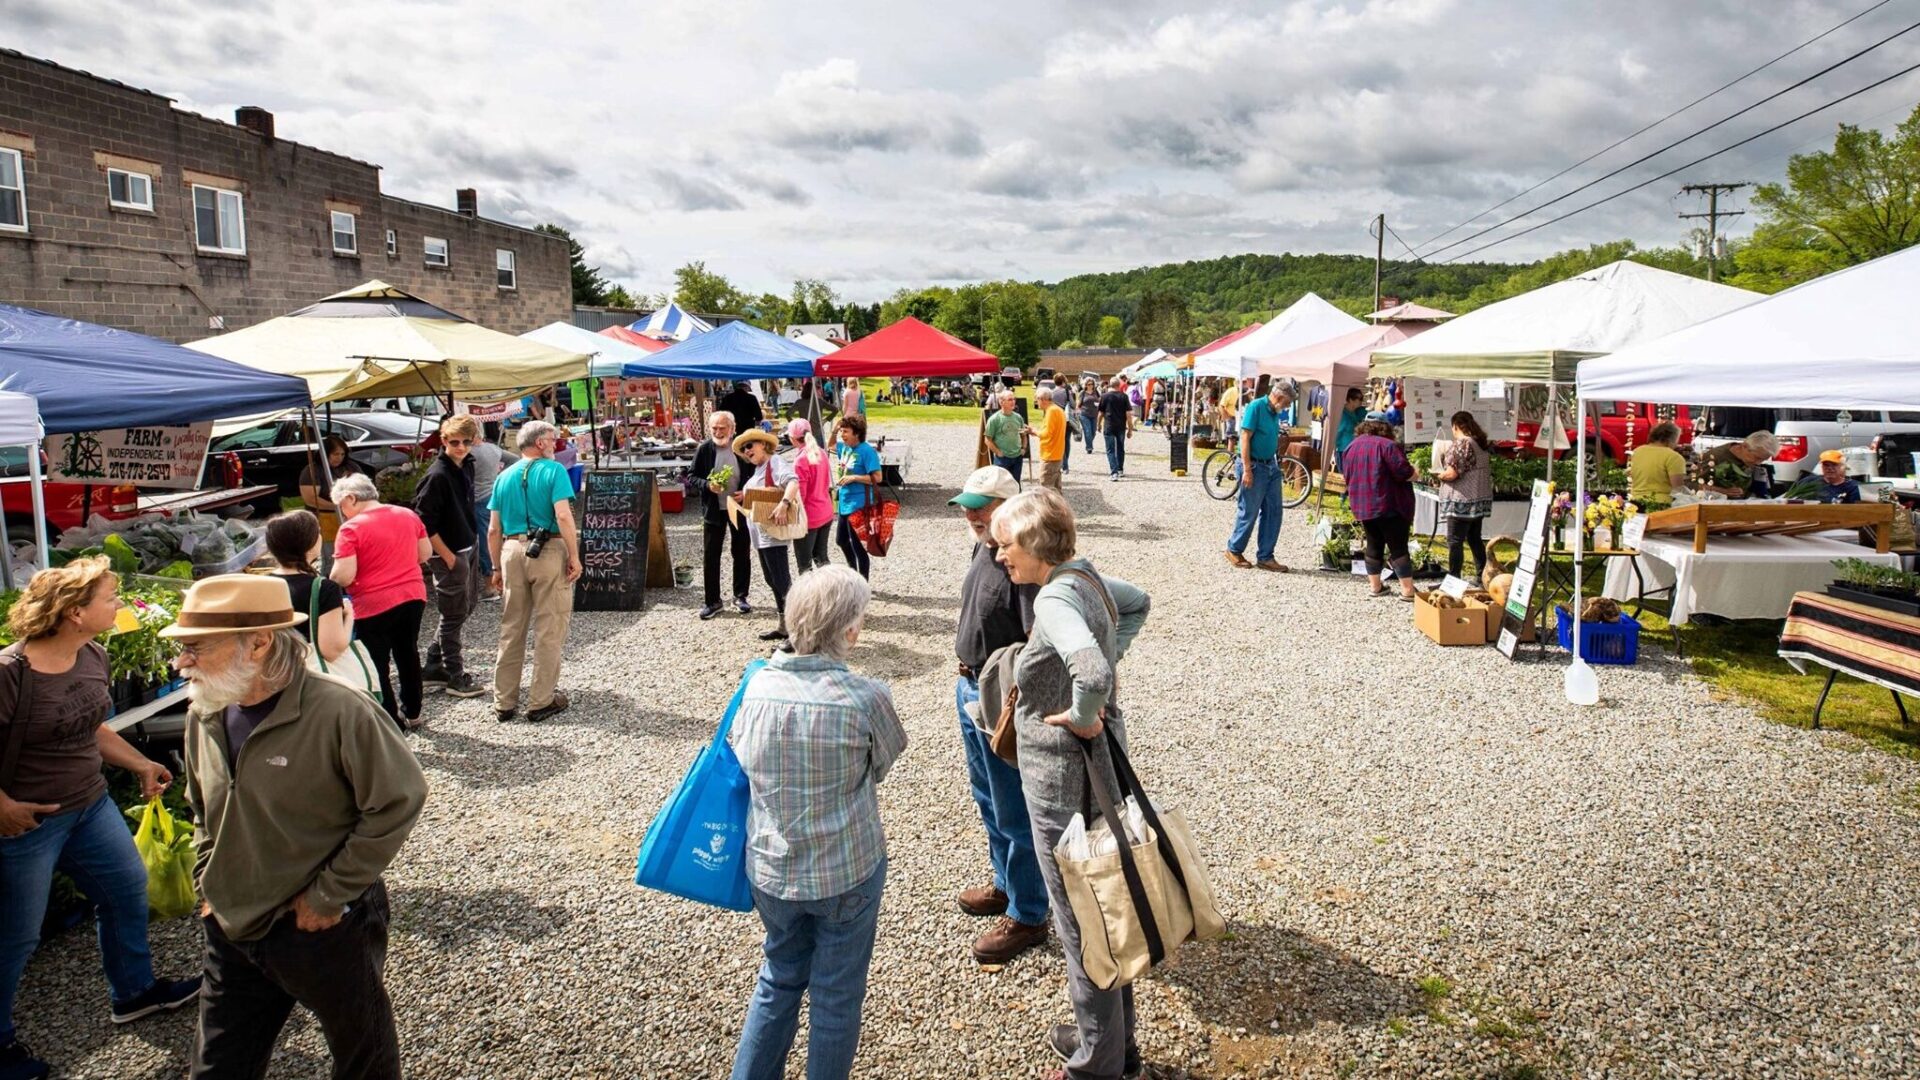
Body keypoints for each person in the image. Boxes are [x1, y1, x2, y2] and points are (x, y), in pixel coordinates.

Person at [167, 575, 427, 1080]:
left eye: (197, 647)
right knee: (217, 1066)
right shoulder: (205, 710)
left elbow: (399, 799)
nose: (183, 662)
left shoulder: (339, 708)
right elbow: (201, 805)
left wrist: (329, 896)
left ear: (260, 642)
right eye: (183, 648)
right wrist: (209, 877)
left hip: (320, 928)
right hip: (231, 923)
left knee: (363, 1055)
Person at [0, 559, 200, 1080]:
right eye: (111, 598)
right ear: (74, 612)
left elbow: (92, 727)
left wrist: (141, 762)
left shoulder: (92, 654)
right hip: (27, 826)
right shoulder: (8, 675)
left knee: (126, 891)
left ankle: (133, 993)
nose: (120, 605)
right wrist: (3, 806)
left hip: (89, 807)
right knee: (16, 937)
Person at [990, 490, 1151, 1080]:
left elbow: (1093, 669)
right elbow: (1138, 605)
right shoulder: (1086, 576)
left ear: (1034, 543)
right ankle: (1113, 1044)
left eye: (1005, 544)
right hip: (1097, 769)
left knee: (1082, 921)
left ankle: (1094, 1065)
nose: (998, 552)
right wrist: (1107, 668)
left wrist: (1085, 710)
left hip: (1066, 780)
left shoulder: (1055, 600)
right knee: (1104, 909)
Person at [727, 566, 907, 1080]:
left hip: (771, 867)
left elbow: (740, 754)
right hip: (845, 867)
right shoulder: (864, 696)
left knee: (779, 978)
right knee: (835, 996)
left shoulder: (756, 687)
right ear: (849, 630)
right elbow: (884, 763)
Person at [947, 467, 1050, 964]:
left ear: (1010, 510)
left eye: (980, 505)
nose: (970, 512)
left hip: (999, 699)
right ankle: (1007, 886)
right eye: (966, 503)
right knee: (988, 800)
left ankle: (1029, 913)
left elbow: (1037, 644)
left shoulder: (1021, 562)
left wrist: (1011, 697)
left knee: (1015, 809)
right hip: (968, 687)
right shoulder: (986, 546)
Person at [488, 421, 580, 723]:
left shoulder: (503, 476)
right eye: (552, 440)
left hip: (511, 550)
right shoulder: (554, 471)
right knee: (549, 627)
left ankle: (504, 701)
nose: (555, 445)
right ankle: (541, 700)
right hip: (548, 548)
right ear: (540, 443)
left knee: (511, 627)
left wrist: (494, 566)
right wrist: (574, 555)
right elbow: (563, 516)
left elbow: (493, 529)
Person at [329, 474, 430, 730]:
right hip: (412, 595)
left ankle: (390, 720)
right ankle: (414, 710)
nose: (343, 512)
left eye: (342, 505)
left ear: (351, 498)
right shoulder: (407, 514)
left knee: (378, 662)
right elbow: (425, 553)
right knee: (408, 653)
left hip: (372, 602)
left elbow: (344, 575)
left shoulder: (351, 529)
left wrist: (331, 576)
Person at [414, 415, 485, 699]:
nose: (460, 447)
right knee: (453, 614)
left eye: (466, 442)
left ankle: (433, 664)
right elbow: (423, 523)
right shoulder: (436, 476)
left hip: (467, 544)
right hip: (449, 552)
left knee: (465, 607)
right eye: (454, 442)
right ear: (443, 441)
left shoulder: (466, 465)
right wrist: (447, 556)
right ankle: (455, 675)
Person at [732, 429, 802, 642]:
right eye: (744, 449)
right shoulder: (760, 469)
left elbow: (792, 482)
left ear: (763, 444)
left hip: (772, 533)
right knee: (772, 579)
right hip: (761, 534)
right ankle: (784, 626)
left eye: (750, 445)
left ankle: (798, 631)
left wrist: (784, 503)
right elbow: (765, 491)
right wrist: (746, 495)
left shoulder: (775, 462)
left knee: (782, 581)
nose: (747, 450)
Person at [1344, 417, 1418, 601]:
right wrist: (1416, 472)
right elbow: (1404, 473)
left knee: (1373, 544)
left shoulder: (1351, 447)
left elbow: (1346, 474)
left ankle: (1375, 586)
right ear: (1384, 429)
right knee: (1398, 546)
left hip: (1363, 504)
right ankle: (1408, 590)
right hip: (1389, 503)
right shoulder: (1387, 446)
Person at [265, 511, 352, 664]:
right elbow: (331, 651)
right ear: (309, 542)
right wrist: (350, 615)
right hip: (308, 678)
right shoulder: (324, 588)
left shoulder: (263, 584)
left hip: (273, 673)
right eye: (317, 532)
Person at [692, 412, 756, 620]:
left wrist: (747, 491)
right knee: (711, 555)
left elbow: (757, 473)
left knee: (741, 551)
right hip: (713, 509)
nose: (718, 432)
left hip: (738, 507)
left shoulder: (743, 448)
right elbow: (691, 476)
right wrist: (707, 485)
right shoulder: (704, 449)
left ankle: (740, 596)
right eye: (714, 428)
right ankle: (712, 601)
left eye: (722, 428)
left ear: (732, 428)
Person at [1224, 382, 1292, 573]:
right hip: (1253, 465)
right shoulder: (1256, 407)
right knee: (1249, 511)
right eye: (1286, 403)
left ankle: (1266, 556)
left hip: (1270, 465)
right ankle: (1234, 549)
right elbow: (1245, 437)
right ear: (1278, 397)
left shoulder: (1274, 412)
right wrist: (1247, 469)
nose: (1286, 407)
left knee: (1274, 511)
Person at [1433, 412, 1493, 582]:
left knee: (1455, 541)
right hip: (1478, 499)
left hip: (1462, 500)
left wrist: (1439, 474)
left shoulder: (1462, 444)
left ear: (1455, 426)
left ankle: (1453, 579)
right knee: (1475, 539)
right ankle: (1482, 575)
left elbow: (1452, 474)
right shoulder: (1479, 443)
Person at [298, 434, 363, 570]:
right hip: (325, 520)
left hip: (351, 517)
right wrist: (337, 506)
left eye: (342, 454)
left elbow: (363, 488)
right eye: (335, 454)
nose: (339, 458)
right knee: (331, 557)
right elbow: (310, 499)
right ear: (325, 453)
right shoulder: (313, 470)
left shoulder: (352, 467)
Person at [832, 415, 882, 580]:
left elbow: (878, 477)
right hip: (844, 503)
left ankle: (863, 582)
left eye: (845, 431)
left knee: (858, 546)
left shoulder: (866, 451)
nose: (842, 434)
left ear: (857, 433)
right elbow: (830, 445)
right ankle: (853, 572)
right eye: (841, 431)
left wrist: (855, 478)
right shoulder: (844, 447)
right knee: (841, 540)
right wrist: (833, 431)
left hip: (859, 504)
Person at [785, 419, 837, 573]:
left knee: (805, 565)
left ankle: (810, 595)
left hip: (809, 517)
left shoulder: (800, 460)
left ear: (793, 439)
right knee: (822, 558)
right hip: (825, 511)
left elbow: (801, 494)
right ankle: (831, 590)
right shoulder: (820, 452)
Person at [469, 423, 506, 596]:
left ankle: (490, 584)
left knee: (485, 541)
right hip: (492, 495)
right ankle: (498, 578)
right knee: (496, 537)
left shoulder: (470, 453)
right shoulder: (493, 449)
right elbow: (514, 459)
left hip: (477, 499)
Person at [1626, 421, 1690, 509]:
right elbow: (1678, 489)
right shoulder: (1674, 457)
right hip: (1662, 506)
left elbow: (1630, 476)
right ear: (1671, 439)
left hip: (1635, 503)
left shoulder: (1636, 451)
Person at [1701, 431, 1779, 499]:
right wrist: (1724, 491)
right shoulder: (1715, 456)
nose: (1758, 463)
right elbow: (1691, 484)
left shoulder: (1751, 460)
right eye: (1757, 458)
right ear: (1744, 446)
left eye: (1763, 460)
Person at [984, 391, 1027, 483]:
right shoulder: (994, 419)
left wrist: (1023, 448)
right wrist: (998, 452)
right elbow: (987, 440)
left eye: (1014, 399)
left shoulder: (1018, 418)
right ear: (1001, 402)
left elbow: (1023, 435)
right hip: (1002, 459)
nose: (1013, 402)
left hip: (1017, 457)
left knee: (1015, 484)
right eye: (1010, 399)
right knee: (1000, 485)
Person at [1099, 378, 1134, 481]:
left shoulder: (1104, 396)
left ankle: (1113, 472)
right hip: (1120, 426)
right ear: (1119, 385)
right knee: (1120, 448)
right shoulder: (1124, 396)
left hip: (1109, 425)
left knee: (1110, 450)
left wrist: (1098, 425)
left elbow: (1101, 413)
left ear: (1110, 385)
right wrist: (1130, 429)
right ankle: (1120, 469)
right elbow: (1128, 414)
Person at [1034, 388, 1069, 492]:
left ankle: (1050, 509)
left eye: (1037, 399)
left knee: (1046, 489)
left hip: (1050, 455)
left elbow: (1047, 434)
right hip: (1056, 454)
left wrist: (1035, 432)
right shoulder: (1057, 409)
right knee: (1056, 489)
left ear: (1042, 399)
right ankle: (1060, 508)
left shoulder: (1051, 411)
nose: (1036, 402)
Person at [1334, 387, 1366, 472]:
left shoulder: (1357, 412)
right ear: (1350, 400)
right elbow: (1337, 433)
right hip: (1343, 450)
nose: (1361, 401)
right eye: (1359, 399)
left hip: (1354, 449)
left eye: (1362, 399)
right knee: (1345, 476)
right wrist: (1333, 452)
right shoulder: (1342, 415)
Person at [1078, 379, 1100, 456]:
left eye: (1091, 384)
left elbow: (1099, 400)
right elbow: (1078, 404)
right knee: (1087, 431)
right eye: (1088, 384)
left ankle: (1089, 442)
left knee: (1093, 432)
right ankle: (1089, 448)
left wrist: (1098, 405)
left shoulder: (1096, 392)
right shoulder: (1082, 393)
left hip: (1094, 415)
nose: (1090, 386)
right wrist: (1076, 412)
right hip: (1084, 414)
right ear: (1085, 385)